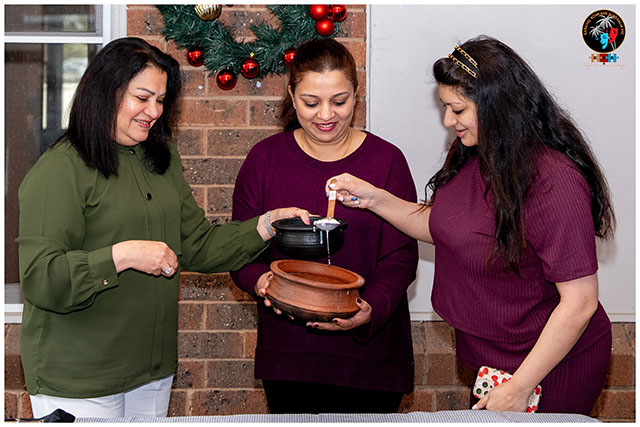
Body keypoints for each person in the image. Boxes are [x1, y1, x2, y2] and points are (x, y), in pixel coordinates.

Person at [17, 37, 309, 419]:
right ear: (106, 92)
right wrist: (122, 256)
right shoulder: (61, 168)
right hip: (79, 375)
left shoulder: (161, 159)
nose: (154, 111)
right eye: (142, 98)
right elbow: (41, 277)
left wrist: (267, 225)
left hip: (150, 372)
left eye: (160, 100)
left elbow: (197, 245)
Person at [327, 36, 615, 415]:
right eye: (446, 108)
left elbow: (580, 302)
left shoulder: (553, 180)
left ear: (496, 106)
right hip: (492, 360)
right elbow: (447, 226)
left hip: (550, 362)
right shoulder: (471, 151)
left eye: (457, 109)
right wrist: (374, 199)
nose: (448, 121)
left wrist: (519, 387)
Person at [230, 38, 419, 414]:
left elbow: (400, 257)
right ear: (291, 95)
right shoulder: (264, 159)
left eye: (339, 101)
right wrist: (263, 283)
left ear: (356, 94)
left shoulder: (387, 161)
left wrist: (369, 308)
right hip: (290, 356)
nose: (326, 115)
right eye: (311, 102)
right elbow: (241, 249)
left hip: (371, 356)